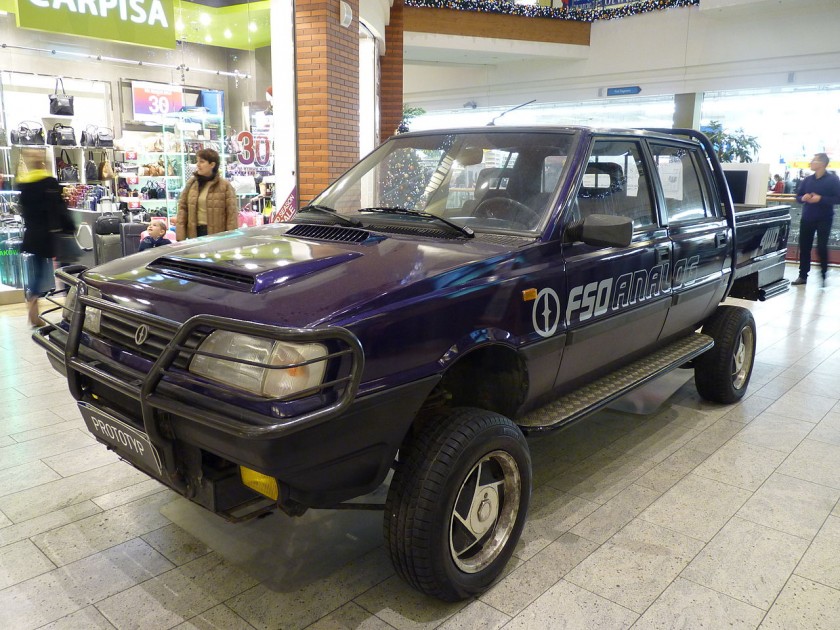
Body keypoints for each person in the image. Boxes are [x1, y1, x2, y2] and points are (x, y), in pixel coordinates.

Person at [17, 148, 75, 327]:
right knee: (67, 270)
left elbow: (24, 211)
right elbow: (58, 208)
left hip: (34, 233)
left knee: (39, 272)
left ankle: (33, 307)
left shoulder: (24, 184)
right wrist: (70, 226)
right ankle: (71, 310)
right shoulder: (49, 182)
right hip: (53, 233)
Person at [792, 153, 840, 287]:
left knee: (822, 247)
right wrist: (803, 198)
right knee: (804, 247)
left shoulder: (833, 180)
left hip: (825, 218)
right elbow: (798, 196)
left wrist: (821, 199)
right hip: (807, 217)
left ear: (822, 163)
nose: (812, 162)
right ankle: (803, 275)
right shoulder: (807, 180)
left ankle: (823, 274)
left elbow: (838, 198)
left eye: (814, 160)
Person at [175, 148, 237, 240]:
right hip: (195, 234)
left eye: (202, 161)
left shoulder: (225, 186)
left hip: (217, 236)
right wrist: (180, 236)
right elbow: (182, 210)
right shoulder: (191, 184)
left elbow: (231, 215)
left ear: (212, 164)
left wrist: (231, 239)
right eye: (197, 161)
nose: (198, 164)